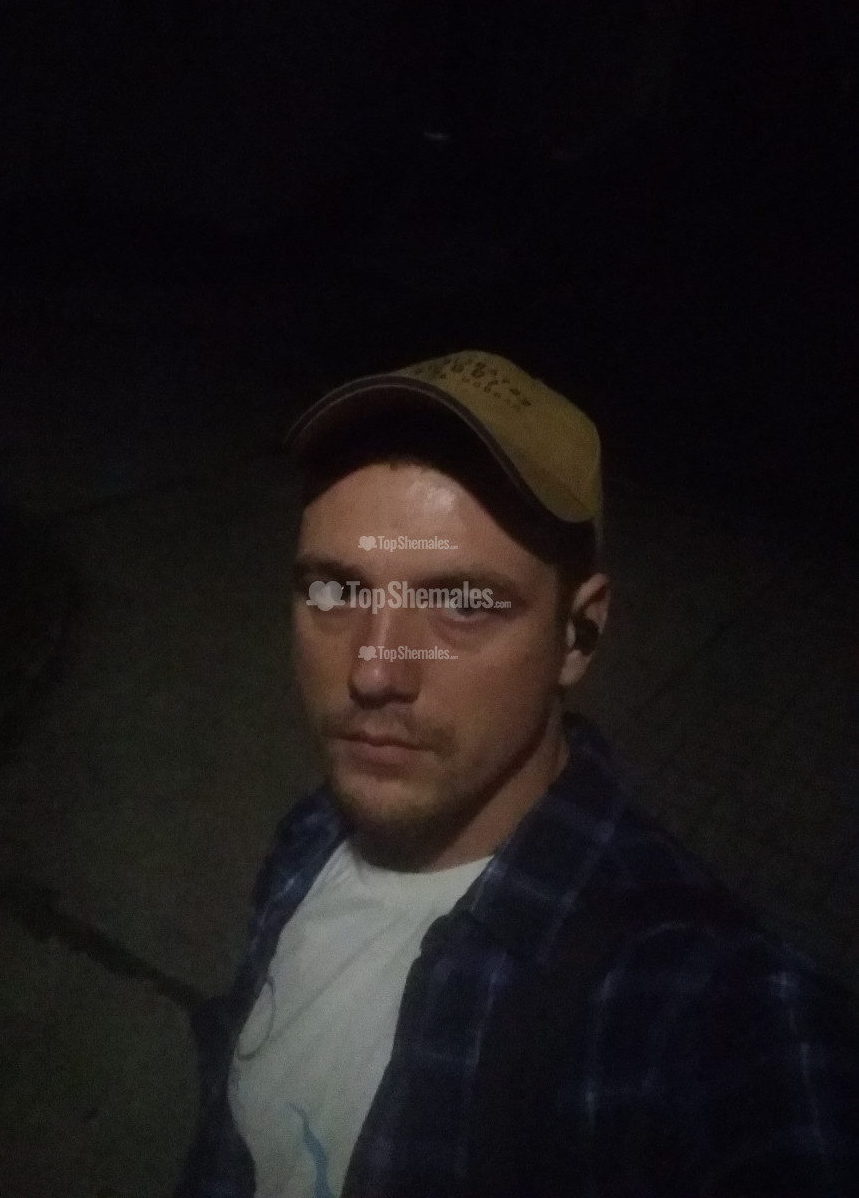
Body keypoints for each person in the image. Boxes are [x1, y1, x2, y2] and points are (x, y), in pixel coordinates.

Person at [174, 350, 859, 1198]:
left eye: (462, 603)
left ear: (578, 635)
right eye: (335, 591)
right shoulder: (311, 834)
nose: (374, 671)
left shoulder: (701, 1006)